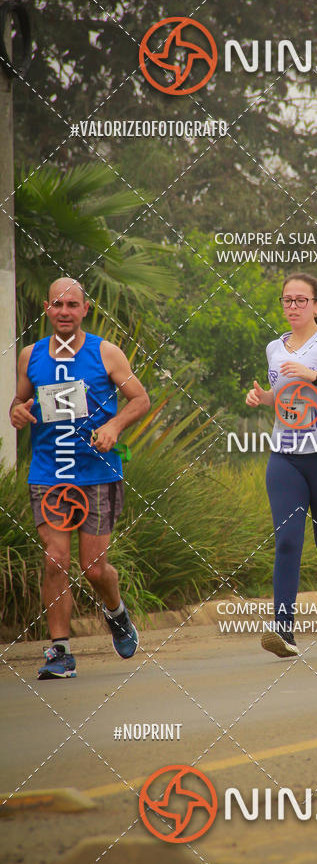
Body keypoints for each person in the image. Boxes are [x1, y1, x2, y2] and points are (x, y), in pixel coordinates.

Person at [10, 277, 150, 679]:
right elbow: (19, 405)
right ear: (47, 309)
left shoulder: (105, 352)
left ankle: (116, 612)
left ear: (85, 309)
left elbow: (140, 399)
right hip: (50, 473)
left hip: (97, 472)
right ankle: (59, 651)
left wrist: (115, 427)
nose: (65, 311)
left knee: (94, 568)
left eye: (73, 304)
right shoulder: (30, 356)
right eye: (58, 304)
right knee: (56, 559)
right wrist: (17, 412)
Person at [246, 272, 317, 657]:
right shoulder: (273, 349)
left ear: (316, 304)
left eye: (300, 300)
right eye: (287, 300)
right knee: (288, 540)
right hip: (285, 459)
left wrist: (315, 375)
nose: (292, 306)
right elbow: (288, 400)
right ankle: (284, 632)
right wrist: (264, 398)